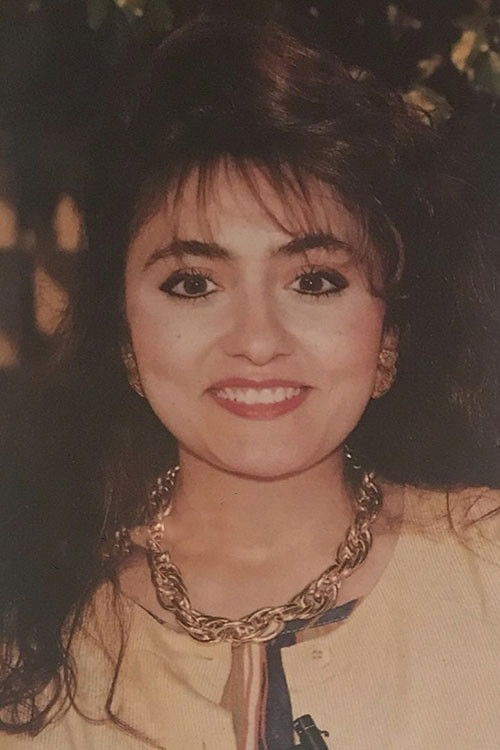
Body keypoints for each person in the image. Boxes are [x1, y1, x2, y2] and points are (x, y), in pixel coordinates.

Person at [1, 14, 499, 750]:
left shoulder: (484, 570)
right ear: (123, 334)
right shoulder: (36, 637)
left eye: (316, 281)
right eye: (194, 283)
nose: (258, 341)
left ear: (389, 331)